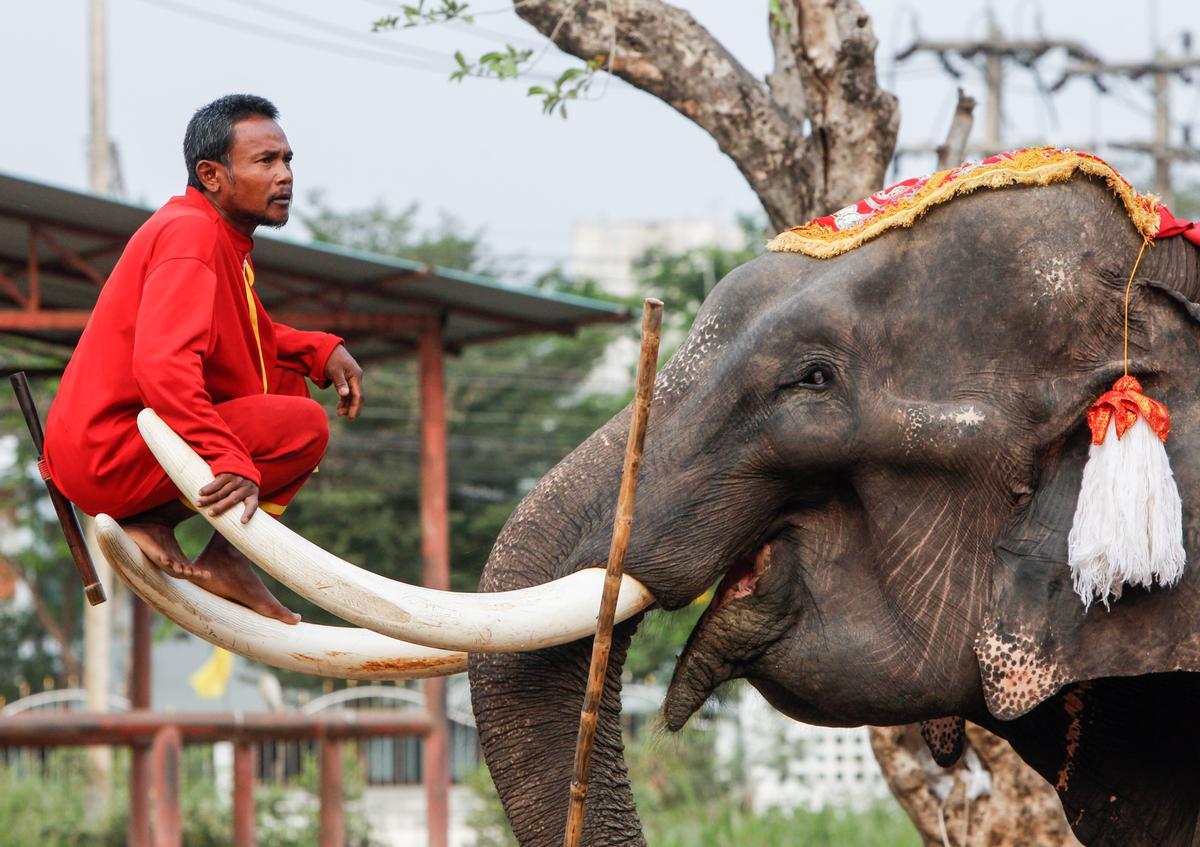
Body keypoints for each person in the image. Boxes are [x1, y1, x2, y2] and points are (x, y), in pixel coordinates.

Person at [44, 94, 364, 624]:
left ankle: (221, 555)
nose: (284, 175)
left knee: (288, 387)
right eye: (265, 162)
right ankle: (156, 521)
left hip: (116, 448)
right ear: (211, 175)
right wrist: (227, 455)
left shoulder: (210, 233)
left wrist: (319, 349)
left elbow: (246, 335)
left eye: (287, 160)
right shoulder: (192, 237)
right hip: (109, 454)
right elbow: (163, 367)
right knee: (304, 424)